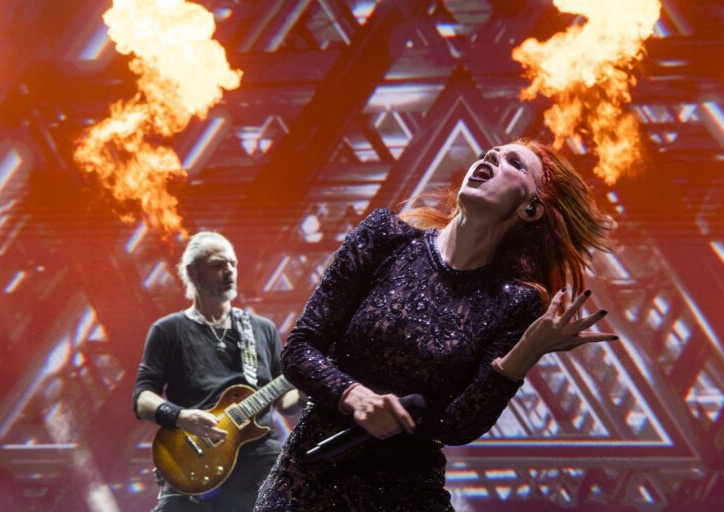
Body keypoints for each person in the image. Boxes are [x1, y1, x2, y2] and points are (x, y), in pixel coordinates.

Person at [254, 139, 617, 511]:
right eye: (491, 153)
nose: (491, 157)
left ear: (531, 208)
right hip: (306, 483)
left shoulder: (514, 302)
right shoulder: (384, 237)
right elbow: (299, 349)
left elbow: (455, 428)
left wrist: (525, 353)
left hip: (406, 495)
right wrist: (354, 396)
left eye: (514, 163)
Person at [133, 231, 302, 512]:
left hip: (259, 461)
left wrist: (305, 393)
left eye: (233, 264)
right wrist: (181, 417)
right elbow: (142, 399)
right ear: (193, 273)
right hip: (191, 460)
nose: (229, 272)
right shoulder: (168, 330)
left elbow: (284, 403)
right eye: (217, 265)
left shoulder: (261, 329)